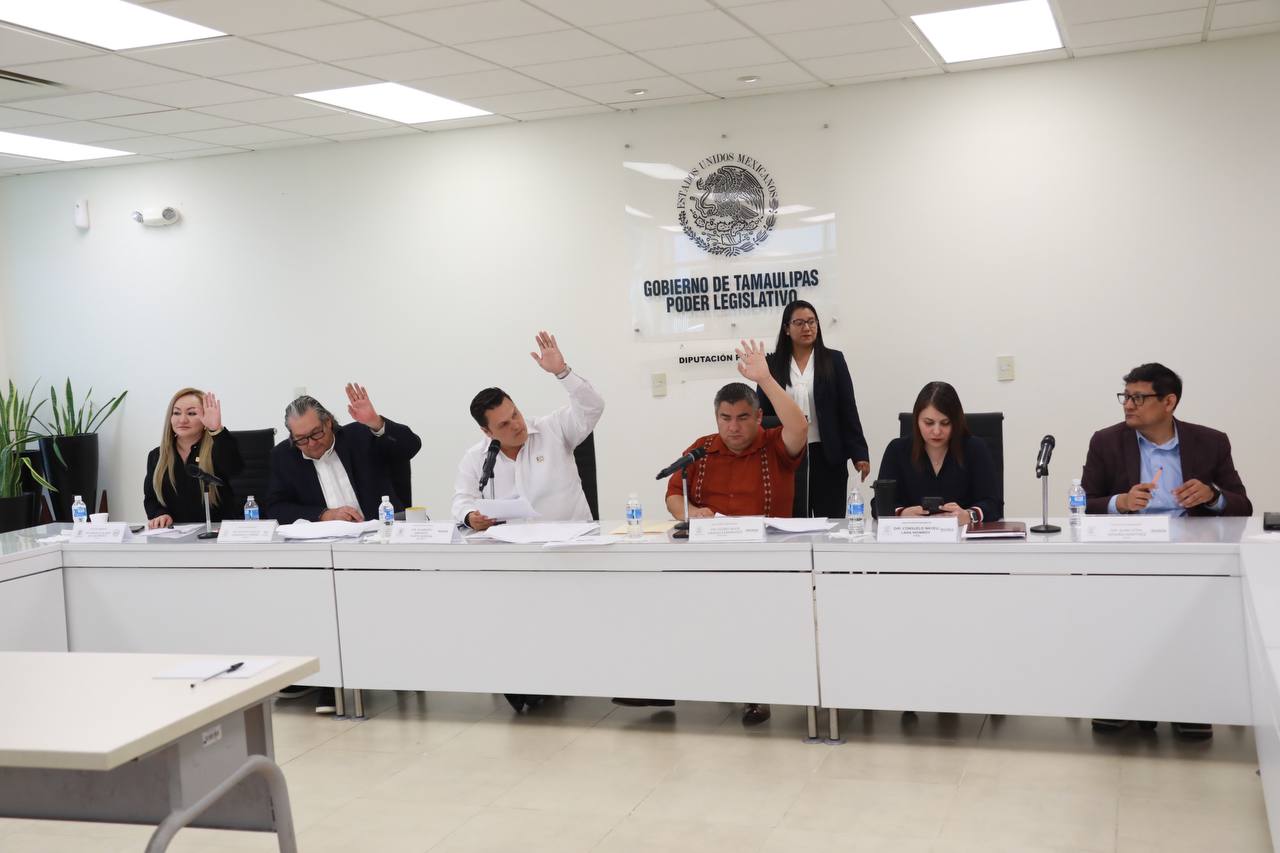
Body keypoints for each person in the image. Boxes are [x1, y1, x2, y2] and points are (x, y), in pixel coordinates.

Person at [1082, 362, 1251, 740]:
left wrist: (1213, 496)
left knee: (1192, 622)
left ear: (1169, 402)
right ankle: (1122, 703)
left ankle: (1188, 704)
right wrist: (1120, 502)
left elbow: (1243, 505)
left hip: (1191, 555)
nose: (1128, 405)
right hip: (1129, 554)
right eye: (1125, 396)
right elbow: (1083, 504)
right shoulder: (1106, 441)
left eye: (1138, 398)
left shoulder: (1210, 441)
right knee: (1121, 622)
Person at [643, 339, 807, 726]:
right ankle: (660, 681)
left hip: (763, 560)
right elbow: (673, 495)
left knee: (748, 613)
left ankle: (755, 693)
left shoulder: (775, 445)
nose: (733, 427)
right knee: (657, 592)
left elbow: (799, 426)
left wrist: (764, 379)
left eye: (743, 418)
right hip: (708, 556)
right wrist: (691, 513)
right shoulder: (701, 450)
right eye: (725, 418)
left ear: (759, 416)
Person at [452, 330, 604, 713]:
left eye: (515, 415)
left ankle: (555, 677)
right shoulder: (476, 459)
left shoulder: (554, 430)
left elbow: (592, 408)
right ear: (486, 432)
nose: (516, 425)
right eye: (503, 425)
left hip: (570, 552)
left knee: (556, 619)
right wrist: (471, 516)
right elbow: (461, 501)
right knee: (506, 615)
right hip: (516, 561)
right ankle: (527, 681)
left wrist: (562, 372)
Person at [267, 382, 421, 714]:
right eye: (301, 439)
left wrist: (376, 422)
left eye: (316, 434)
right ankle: (330, 682)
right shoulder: (283, 456)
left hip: (378, 542)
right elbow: (275, 507)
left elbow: (411, 445)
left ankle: (376, 667)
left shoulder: (360, 436)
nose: (311, 444)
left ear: (329, 423)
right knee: (314, 597)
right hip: (322, 550)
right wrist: (323, 514)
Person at [757, 300, 870, 518]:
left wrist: (859, 453)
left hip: (827, 454)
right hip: (787, 454)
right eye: (799, 323)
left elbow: (848, 408)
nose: (807, 328)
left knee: (830, 520)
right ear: (786, 328)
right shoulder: (772, 364)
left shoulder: (833, 360)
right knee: (792, 520)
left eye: (811, 322)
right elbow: (763, 413)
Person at [876, 381, 1002, 524]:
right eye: (929, 423)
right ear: (916, 420)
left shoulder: (975, 449)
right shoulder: (897, 450)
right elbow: (878, 503)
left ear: (956, 422)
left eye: (945, 423)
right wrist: (901, 513)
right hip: (912, 534)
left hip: (962, 534)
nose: (936, 431)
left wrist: (969, 515)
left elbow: (994, 504)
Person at [144, 388, 243, 528]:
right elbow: (151, 499)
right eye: (176, 413)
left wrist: (215, 429)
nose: (182, 420)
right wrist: (159, 514)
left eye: (191, 413)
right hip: (174, 533)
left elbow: (235, 468)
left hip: (217, 533)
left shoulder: (219, 448)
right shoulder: (157, 456)